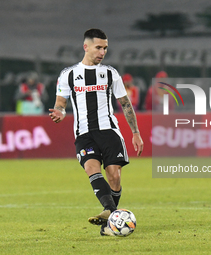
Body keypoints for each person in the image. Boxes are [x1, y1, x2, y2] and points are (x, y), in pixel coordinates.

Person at [49, 29, 144, 236]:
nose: (102, 52)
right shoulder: (68, 75)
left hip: (109, 131)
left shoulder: (110, 73)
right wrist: (60, 112)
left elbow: (125, 103)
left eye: (105, 48)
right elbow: (61, 103)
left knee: (114, 176)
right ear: (86, 47)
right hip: (84, 133)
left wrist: (135, 132)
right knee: (91, 168)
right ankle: (111, 213)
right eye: (98, 47)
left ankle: (108, 219)